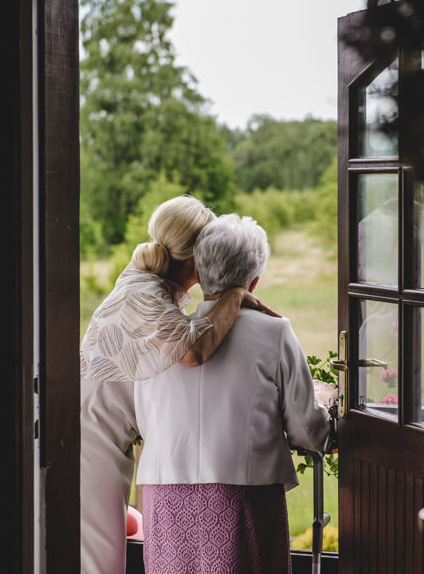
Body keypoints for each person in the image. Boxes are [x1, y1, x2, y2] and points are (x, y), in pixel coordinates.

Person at [79, 196, 277, 574]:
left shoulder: (149, 285)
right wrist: (235, 294)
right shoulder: (146, 294)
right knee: (99, 563)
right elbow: (194, 351)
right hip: (91, 438)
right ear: (196, 257)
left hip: (105, 433)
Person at [134, 214, 331, 574]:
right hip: (242, 499)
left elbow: (147, 421)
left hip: (165, 500)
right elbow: (308, 430)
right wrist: (328, 414)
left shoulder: (164, 333)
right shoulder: (274, 333)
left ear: (199, 270)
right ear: (254, 281)